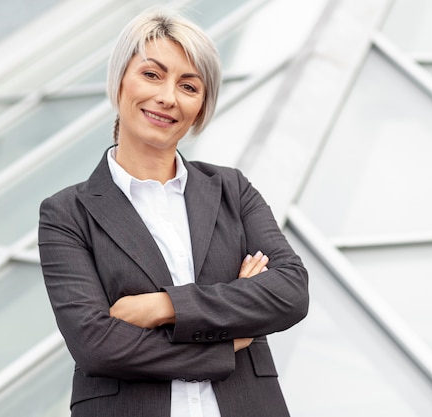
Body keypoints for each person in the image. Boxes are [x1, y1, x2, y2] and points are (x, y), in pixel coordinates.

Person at [38, 8, 308, 417]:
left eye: (188, 86)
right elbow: (98, 346)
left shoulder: (232, 190)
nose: (167, 97)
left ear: (201, 106)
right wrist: (230, 340)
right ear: (119, 81)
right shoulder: (67, 214)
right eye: (152, 75)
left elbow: (289, 291)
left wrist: (161, 307)